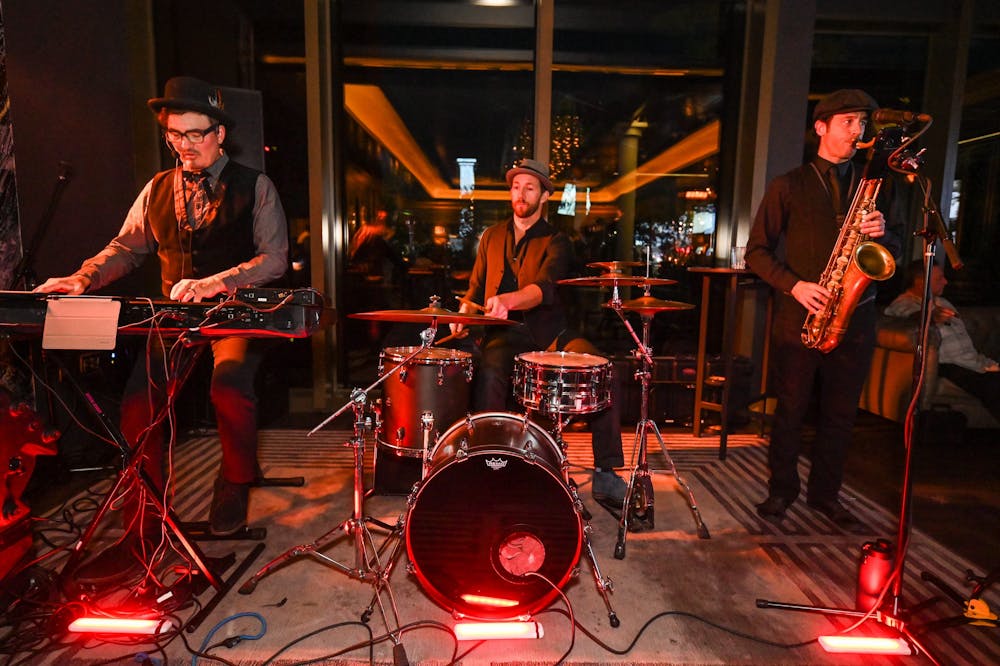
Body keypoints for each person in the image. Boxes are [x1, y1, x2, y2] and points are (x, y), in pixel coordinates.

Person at [34, 76, 289, 577]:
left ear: (219, 133)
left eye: (196, 134)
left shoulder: (255, 185)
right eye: (176, 135)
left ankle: (235, 481)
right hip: (175, 317)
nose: (186, 145)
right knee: (138, 406)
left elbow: (275, 258)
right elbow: (126, 248)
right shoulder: (155, 189)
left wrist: (219, 281)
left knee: (230, 387)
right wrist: (82, 278)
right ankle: (144, 511)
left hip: (234, 313)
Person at [745, 89, 900, 529]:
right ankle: (781, 492)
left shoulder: (876, 189)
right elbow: (756, 252)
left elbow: (898, 250)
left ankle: (827, 495)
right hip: (802, 315)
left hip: (858, 315)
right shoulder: (788, 185)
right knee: (790, 410)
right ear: (821, 127)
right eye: (849, 121)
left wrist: (884, 234)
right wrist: (795, 286)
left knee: (840, 415)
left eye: (862, 124)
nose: (858, 131)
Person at [450, 158, 626, 508]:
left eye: (530, 187)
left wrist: (506, 299)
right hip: (505, 335)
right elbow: (473, 291)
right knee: (490, 370)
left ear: (544, 196)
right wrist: (463, 315)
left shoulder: (558, 241)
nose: (521, 193)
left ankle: (606, 473)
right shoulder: (491, 237)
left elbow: (543, 288)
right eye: (516, 186)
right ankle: (489, 464)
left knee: (604, 370)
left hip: (550, 334)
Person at [885, 260, 1000, 421]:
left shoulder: (943, 302)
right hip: (949, 366)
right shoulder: (903, 303)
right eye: (940, 278)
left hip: (976, 363)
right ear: (921, 282)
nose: (945, 281)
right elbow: (911, 318)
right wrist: (929, 317)